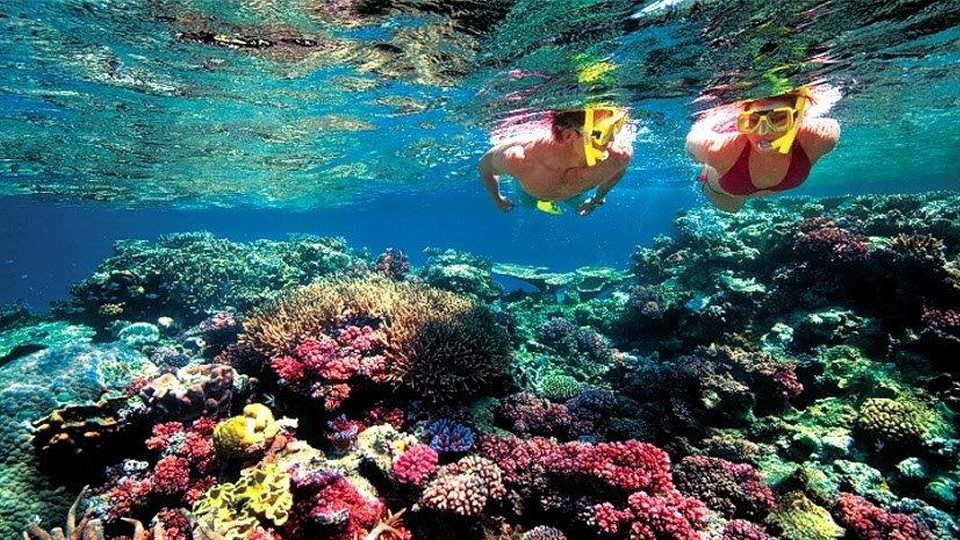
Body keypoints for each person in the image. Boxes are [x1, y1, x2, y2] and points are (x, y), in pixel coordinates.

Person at [685, 86, 840, 213]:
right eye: (753, 121)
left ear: (798, 119)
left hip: (740, 185)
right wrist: (699, 158)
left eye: (778, 119)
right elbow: (691, 141)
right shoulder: (717, 149)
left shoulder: (819, 138)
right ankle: (705, 172)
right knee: (732, 209)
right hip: (722, 192)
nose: (763, 131)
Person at [479, 106, 632, 216]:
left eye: (616, 127)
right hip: (529, 193)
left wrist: (597, 200)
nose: (612, 140)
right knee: (528, 207)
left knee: (578, 205)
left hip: (573, 195)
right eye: (604, 133)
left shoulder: (618, 156)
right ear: (569, 136)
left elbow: (617, 172)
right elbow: (484, 167)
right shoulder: (521, 159)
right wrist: (497, 199)